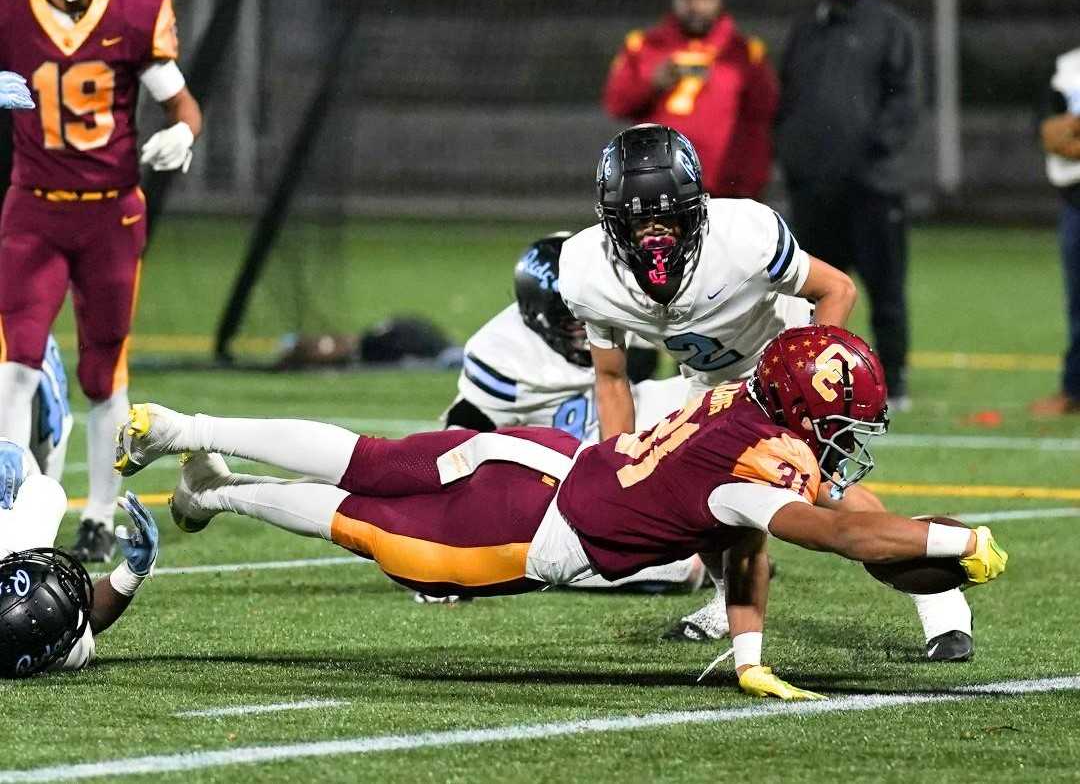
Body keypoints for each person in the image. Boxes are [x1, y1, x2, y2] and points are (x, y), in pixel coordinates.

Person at [115, 326, 1008, 698]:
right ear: (804, 413)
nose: (848, 440)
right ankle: (215, 492)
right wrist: (961, 539)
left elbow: (739, 540)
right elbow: (850, 535)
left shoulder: (745, 401)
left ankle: (181, 425)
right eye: (841, 423)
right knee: (357, 519)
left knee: (368, 456)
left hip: (546, 455)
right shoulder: (760, 460)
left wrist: (748, 656)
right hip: (523, 533)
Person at [560, 123, 974, 660]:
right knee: (701, 508)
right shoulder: (586, 271)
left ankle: (940, 602)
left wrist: (811, 379)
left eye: (668, 218)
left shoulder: (744, 235)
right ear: (610, 224)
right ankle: (725, 599)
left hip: (782, 373)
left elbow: (837, 288)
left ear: (697, 210)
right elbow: (612, 376)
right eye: (638, 223)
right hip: (708, 386)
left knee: (826, 490)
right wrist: (616, 462)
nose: (655, 235)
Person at [0, 0, 203, 563]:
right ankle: (8, 511)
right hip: (34, 211)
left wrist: (184, 135)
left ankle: (100, 515)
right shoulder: (12, 7)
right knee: (16, 361)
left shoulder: (134, 10)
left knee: (104, 372)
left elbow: (183, 105)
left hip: (109, 214)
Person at [443, 232, 702, 595]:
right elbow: (462, 424)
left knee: (716, 403)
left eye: (588, 316)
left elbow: (636, 371)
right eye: (573, 322)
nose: (586, 333)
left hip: (620, 424)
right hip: (560, 473)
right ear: (538, 317)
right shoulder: (503, 353)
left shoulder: (618, 297)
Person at [775, 0, 919, 409]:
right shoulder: (807, 25)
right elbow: (788, 97)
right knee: (805, 294)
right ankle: (808, 381)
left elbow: (906, 101)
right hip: (815, 189)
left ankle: (893, 380)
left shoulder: (891, 26)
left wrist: (866, 153)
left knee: (885, 288)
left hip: (872, 188)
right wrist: (797, 156)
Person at [0, 439, 158, 677]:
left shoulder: (12, 540)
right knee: (44, 492)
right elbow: (87, 616)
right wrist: (133, 573)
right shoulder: (53, 649)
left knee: (41, 491)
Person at [602, 0, 777, 200]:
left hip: (724, 187)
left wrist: (750, 183)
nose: (696, 7)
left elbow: (765, 115)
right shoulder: (643, 46)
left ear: (719, 0)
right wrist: (651, 85)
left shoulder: (744, 52)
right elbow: (615, 103)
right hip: (659, 183)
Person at [1032, 46, 1080, 416]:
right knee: (1078, 304)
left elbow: (1068, 134)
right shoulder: (1066, 68)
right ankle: (1075, 389)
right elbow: (1053, 138)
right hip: (1076, 203)